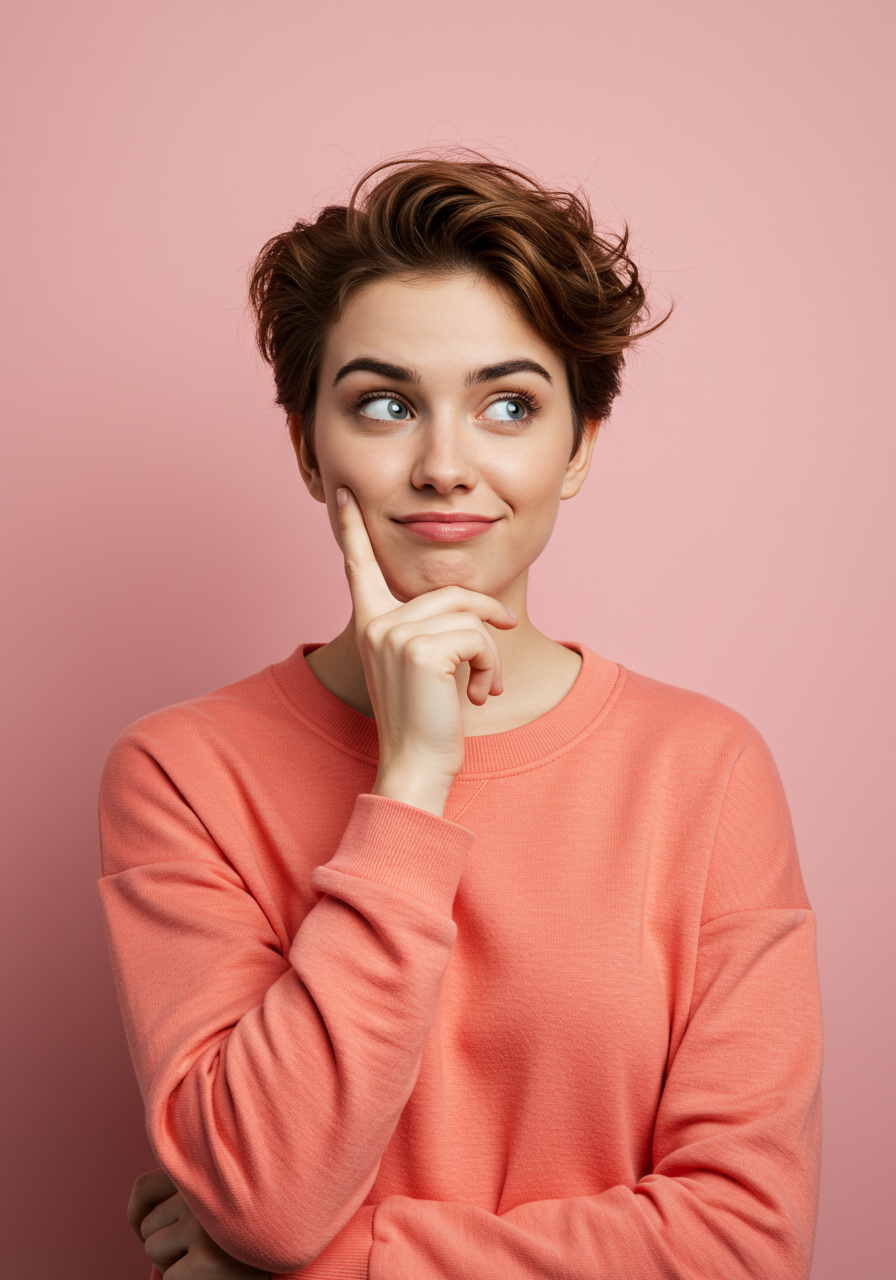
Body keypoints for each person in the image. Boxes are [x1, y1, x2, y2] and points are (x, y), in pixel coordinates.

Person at [98, 153, 823, 1280]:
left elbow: (742, 1243)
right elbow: (271, 1193)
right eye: (384, 403)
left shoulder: (704, 769)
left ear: (577, 444)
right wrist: (411, 779)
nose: (444, 464)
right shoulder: (183, 771)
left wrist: (344, 1264)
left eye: (507, 404)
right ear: (305, 446)